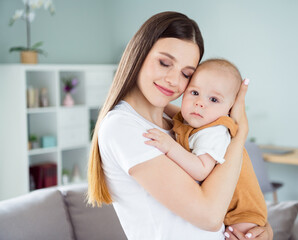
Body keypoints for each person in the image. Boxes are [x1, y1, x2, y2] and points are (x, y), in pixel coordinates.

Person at [87, 11, 273, 240]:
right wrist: (240, 133)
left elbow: (227, 195)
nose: (174, 81)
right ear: (139, 54)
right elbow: (209, 217)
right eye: (165, 63)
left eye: (186, 74)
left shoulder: (180, 127)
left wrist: (260, 229)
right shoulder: (123, 127)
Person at [143, 58, 267, 236]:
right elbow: (174, 112)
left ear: (230, 109)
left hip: (241, 212)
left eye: (214, 99)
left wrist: (170, 146)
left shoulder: (214, 132)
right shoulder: (196, 119)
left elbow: (201, 169)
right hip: (220, 205)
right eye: (194, 93)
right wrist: (155, 102)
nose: (200, 103)